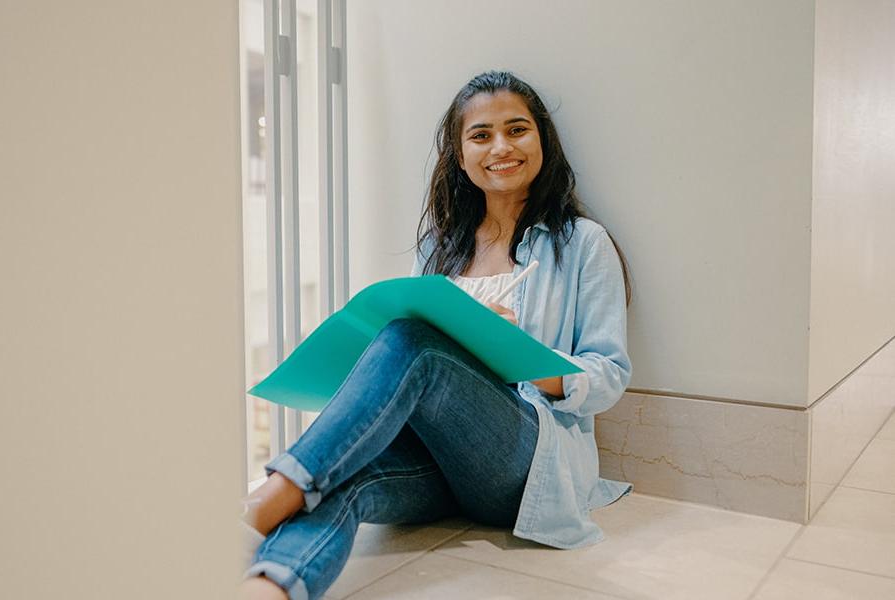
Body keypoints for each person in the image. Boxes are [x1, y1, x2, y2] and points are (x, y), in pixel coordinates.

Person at [239, 70, 633, 600]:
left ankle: (269, 497)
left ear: (542, 140)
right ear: (460, 153)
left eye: (517, 129)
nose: (501, 147)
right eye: (480, 135)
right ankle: (271, 586)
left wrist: (517, 353)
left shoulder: (583, 244)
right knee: (344, 481)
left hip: (528, 461)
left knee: (413, 340)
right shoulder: (442, 248)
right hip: (444, 463)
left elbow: (609, 376)